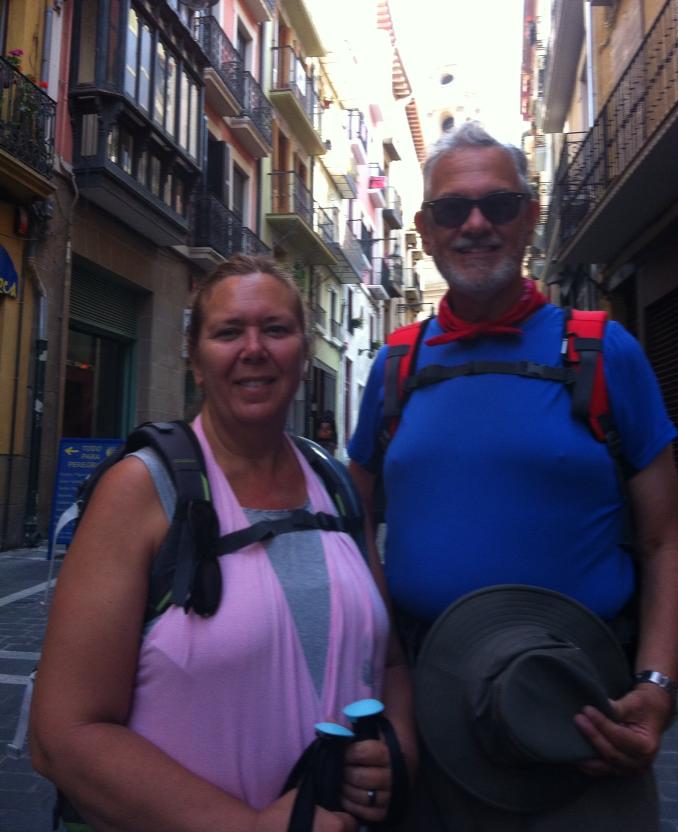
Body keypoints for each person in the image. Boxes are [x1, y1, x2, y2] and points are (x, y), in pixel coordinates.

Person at [348, 122, 678, 831]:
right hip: (429, 707)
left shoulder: (603, 350)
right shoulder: (396, 367)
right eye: (453, 210)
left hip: (581, 713)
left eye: (499, 205)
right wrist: (385, 672)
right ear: (425, 229)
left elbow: (668, 541)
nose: (476, 224)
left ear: (529, 217)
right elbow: (351, 529)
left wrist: (657, 688)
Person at [31, 254, 415, 832]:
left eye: (277, 330)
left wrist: (394, 754)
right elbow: (63, 737)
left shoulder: (336, 488)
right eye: (228, 331)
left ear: (304, 354)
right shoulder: (139, 490)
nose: (254, 348)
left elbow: (386, 660)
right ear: (196, 361)